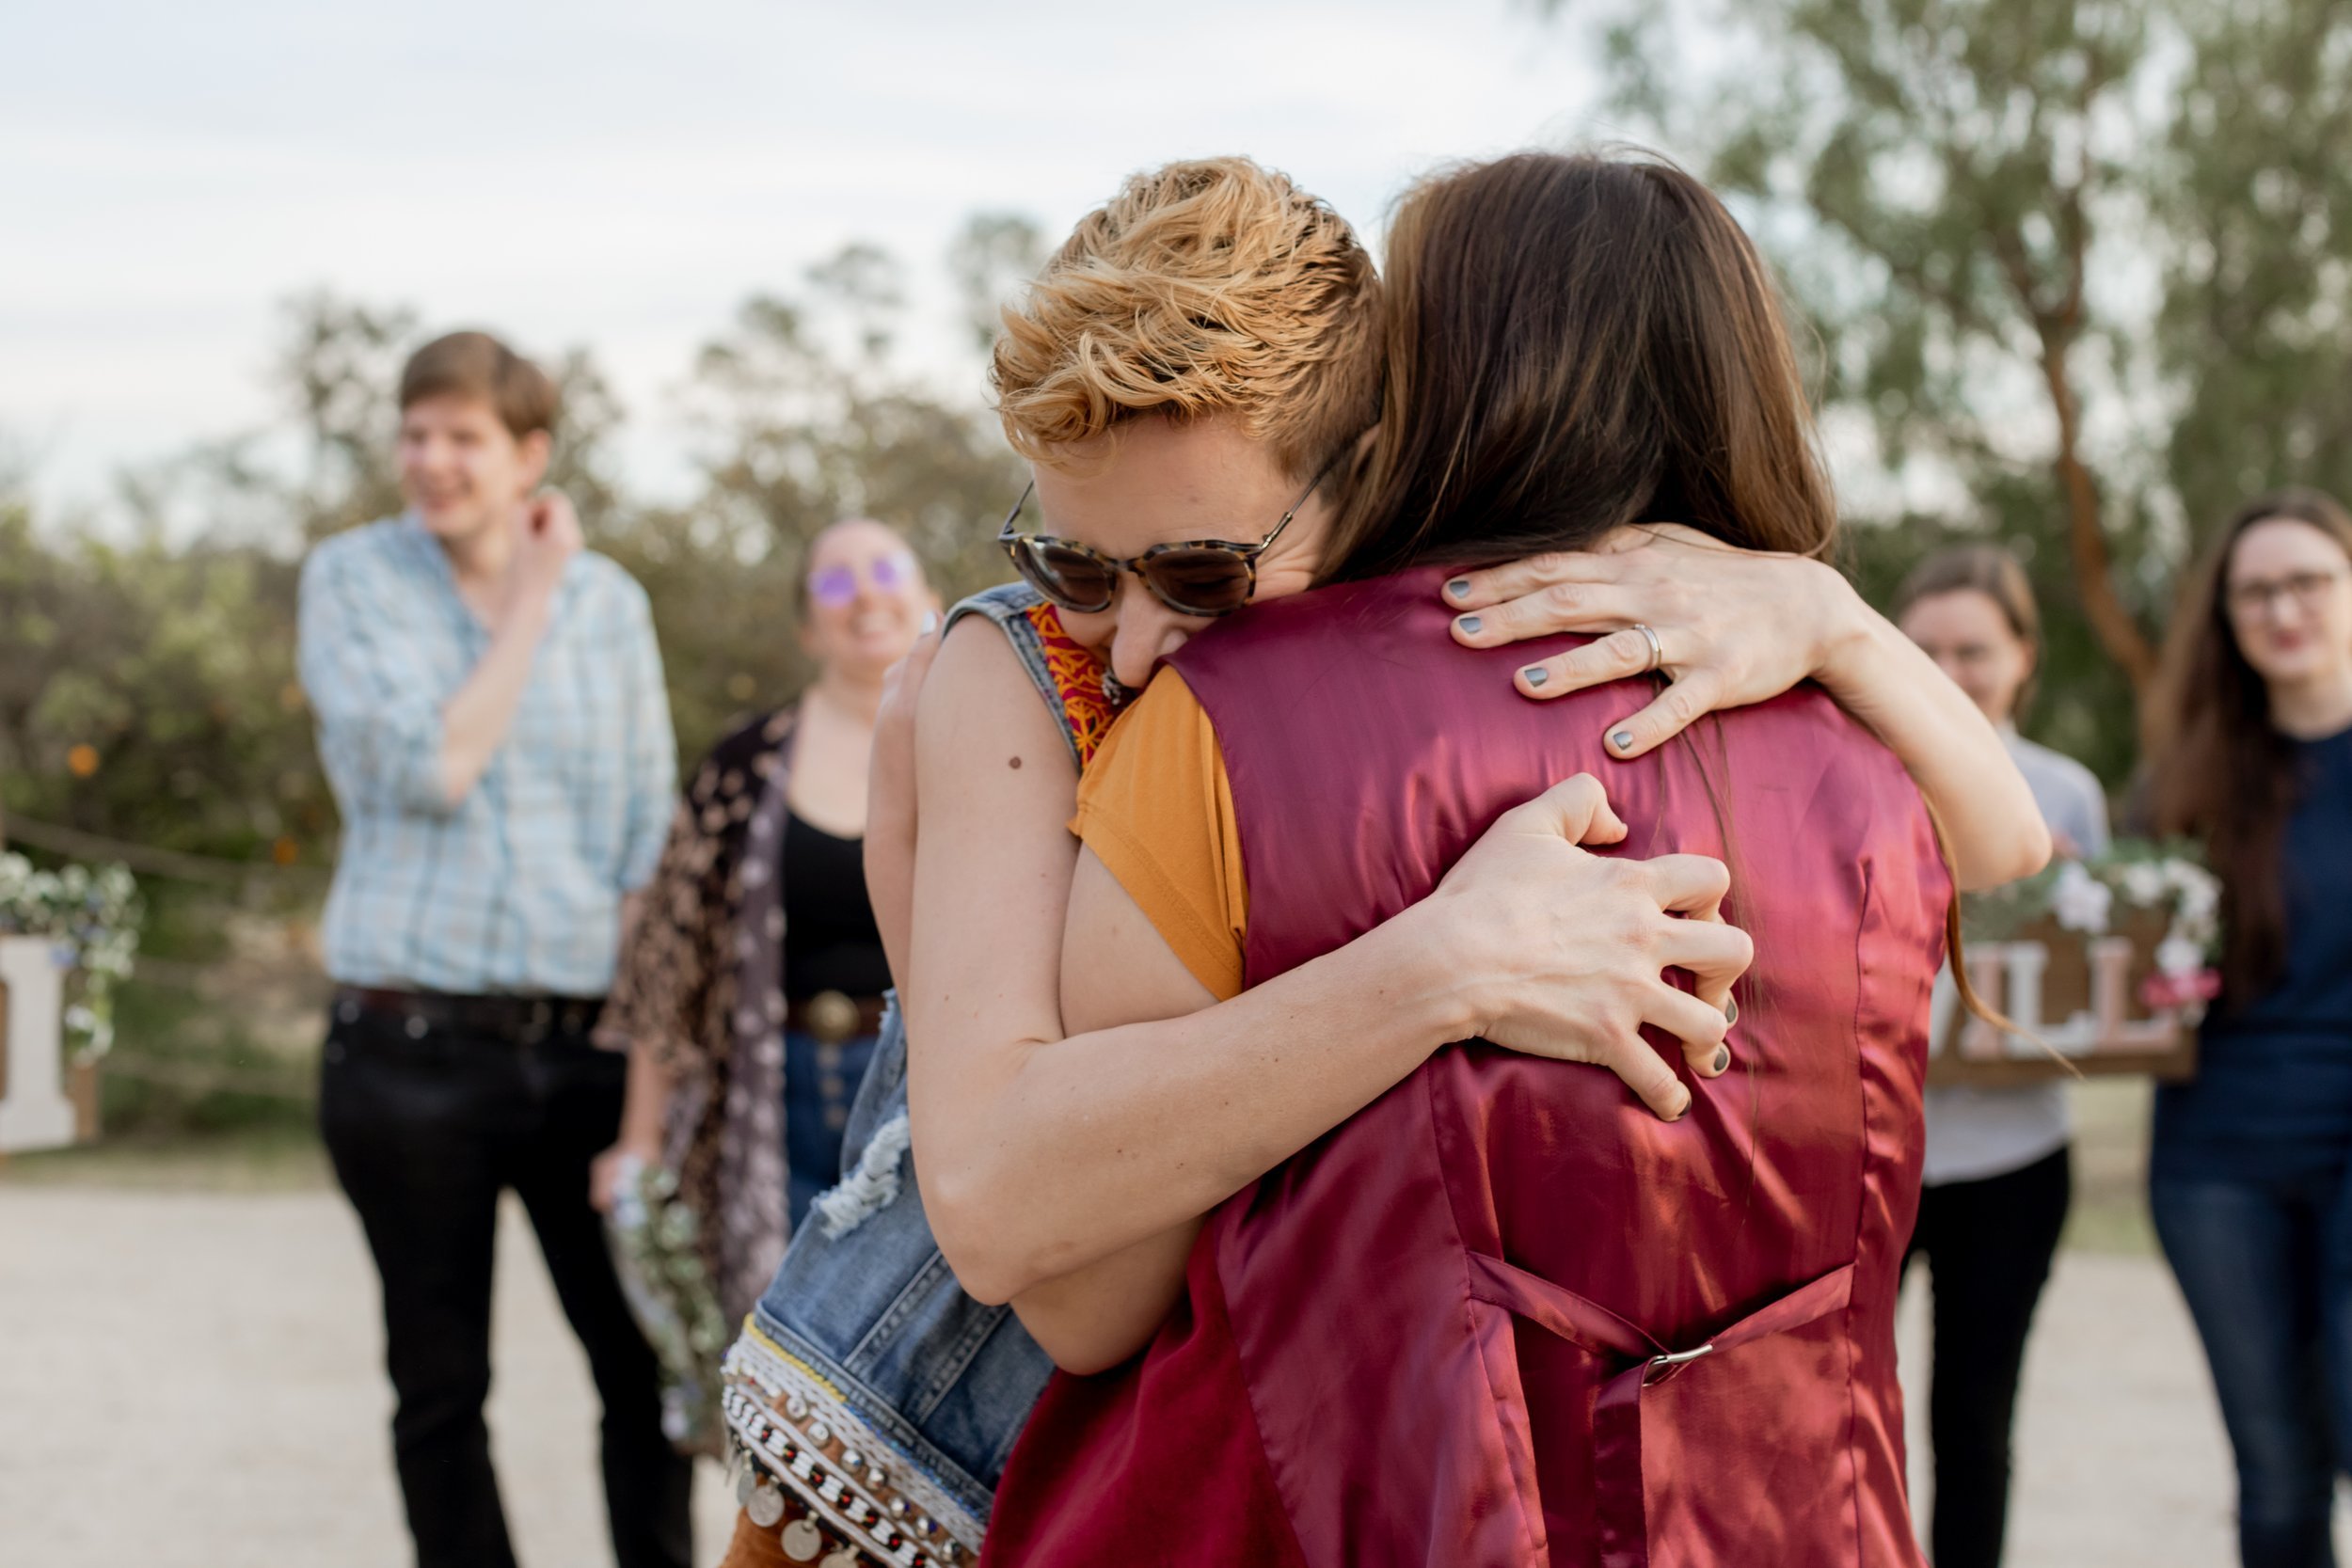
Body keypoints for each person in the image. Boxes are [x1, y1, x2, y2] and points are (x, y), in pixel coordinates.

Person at [713, 156, 2042, 1568]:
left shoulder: (1347, 680)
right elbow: (1009, 1230)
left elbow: (2004, 841)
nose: (1138, 636)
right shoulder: (1012, 672)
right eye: (1077, 563)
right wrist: (1443, 964)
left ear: (1372, 465)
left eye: (1206, 574)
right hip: (908, 1451)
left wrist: (1829, 615)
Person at [296, 331, 689, 1568]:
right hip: (407, 1051)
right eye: (416, 432)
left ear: (530, 453)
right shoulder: (351, 579)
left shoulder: (613, 603)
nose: (431, 460)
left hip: (582, 1052)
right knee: (441, 1382)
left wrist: (641, 1099)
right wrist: (529, 594)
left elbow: (646, 845)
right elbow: (432, 764)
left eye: (463, 436)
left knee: (644, 1370)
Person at [591, 518, 939, 1443]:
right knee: (784, 1380)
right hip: (773, 1099)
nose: (862, 594)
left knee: (914, 1375)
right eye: (832, 584)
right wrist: (638, 1139)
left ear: (930, 596)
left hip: (929, 1097)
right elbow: (669, 958)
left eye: (882, 569)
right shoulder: (746, 765)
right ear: (806, 630)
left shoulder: (993, 747)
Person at [2144, 488, 2352, 1568]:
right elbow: (2120, 964)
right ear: (2226, 618)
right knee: (2276, 1472)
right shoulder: (2187, 783)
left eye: (2308, 579)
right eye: (2254, 590)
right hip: (2217, 1162)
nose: (2284, 607)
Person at [1891, 545, 2109, 1568]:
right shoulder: (1849, 763)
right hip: (1869, 1148)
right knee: (1846, 1412)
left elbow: (2090, 989)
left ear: (2022, 656)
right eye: (1923, 647)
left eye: (1972, 649)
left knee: (1974, 1423)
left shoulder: (2065, 794)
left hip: (2011, 1161)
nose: (1947, 669)